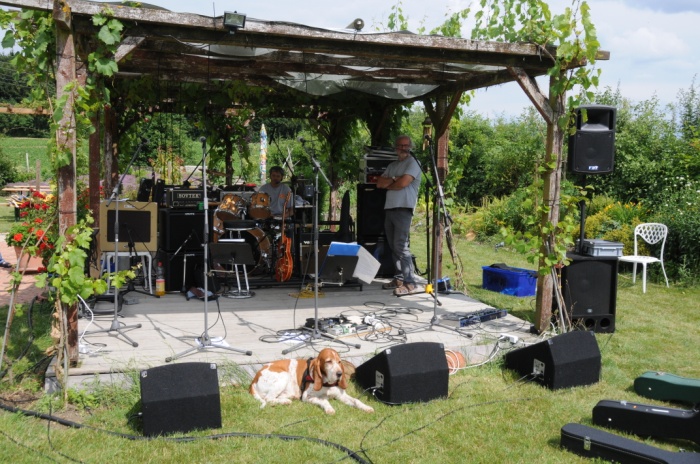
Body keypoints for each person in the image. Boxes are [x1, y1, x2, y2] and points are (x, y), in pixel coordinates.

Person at [376, 135, 423, 296]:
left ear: (410, 147)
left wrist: (392, 182)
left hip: (404, 208)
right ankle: (399, 279)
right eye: (400, 145)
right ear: (395, 147)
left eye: (405, 145)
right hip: (390, 208)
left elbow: (403, 183)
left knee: (401, 246)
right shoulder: (393, 165)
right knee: (393, 246)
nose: (403, 148)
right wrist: (395, 180)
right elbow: (380, 183)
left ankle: (410, 283)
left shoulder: (413, 162)